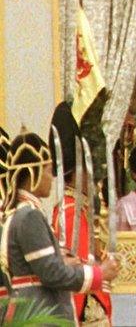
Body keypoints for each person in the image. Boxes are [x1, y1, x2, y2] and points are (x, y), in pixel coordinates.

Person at [0, 131, 118, 322]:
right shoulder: (29, 216)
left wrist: (63, 262)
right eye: (47, 170)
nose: (52, 177)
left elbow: (41, 268)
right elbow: (51, 274)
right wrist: (99, 273)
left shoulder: (21, 213)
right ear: (33, 173)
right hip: (39, 315)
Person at [49, 102, 112, 323]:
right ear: (78, 172)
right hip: (85, 305)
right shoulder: (69, 210)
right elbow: (79, 269)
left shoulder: (76, 206)